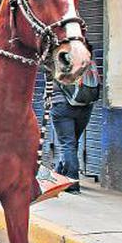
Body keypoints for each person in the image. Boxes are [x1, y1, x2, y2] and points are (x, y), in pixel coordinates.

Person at [51, 60, 101, 193]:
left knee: (67, 144)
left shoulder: (58, 56)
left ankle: (71, 183)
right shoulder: (85, 55)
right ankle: (59, 173)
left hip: (62, 105)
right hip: (85, 106)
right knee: (72, 144)